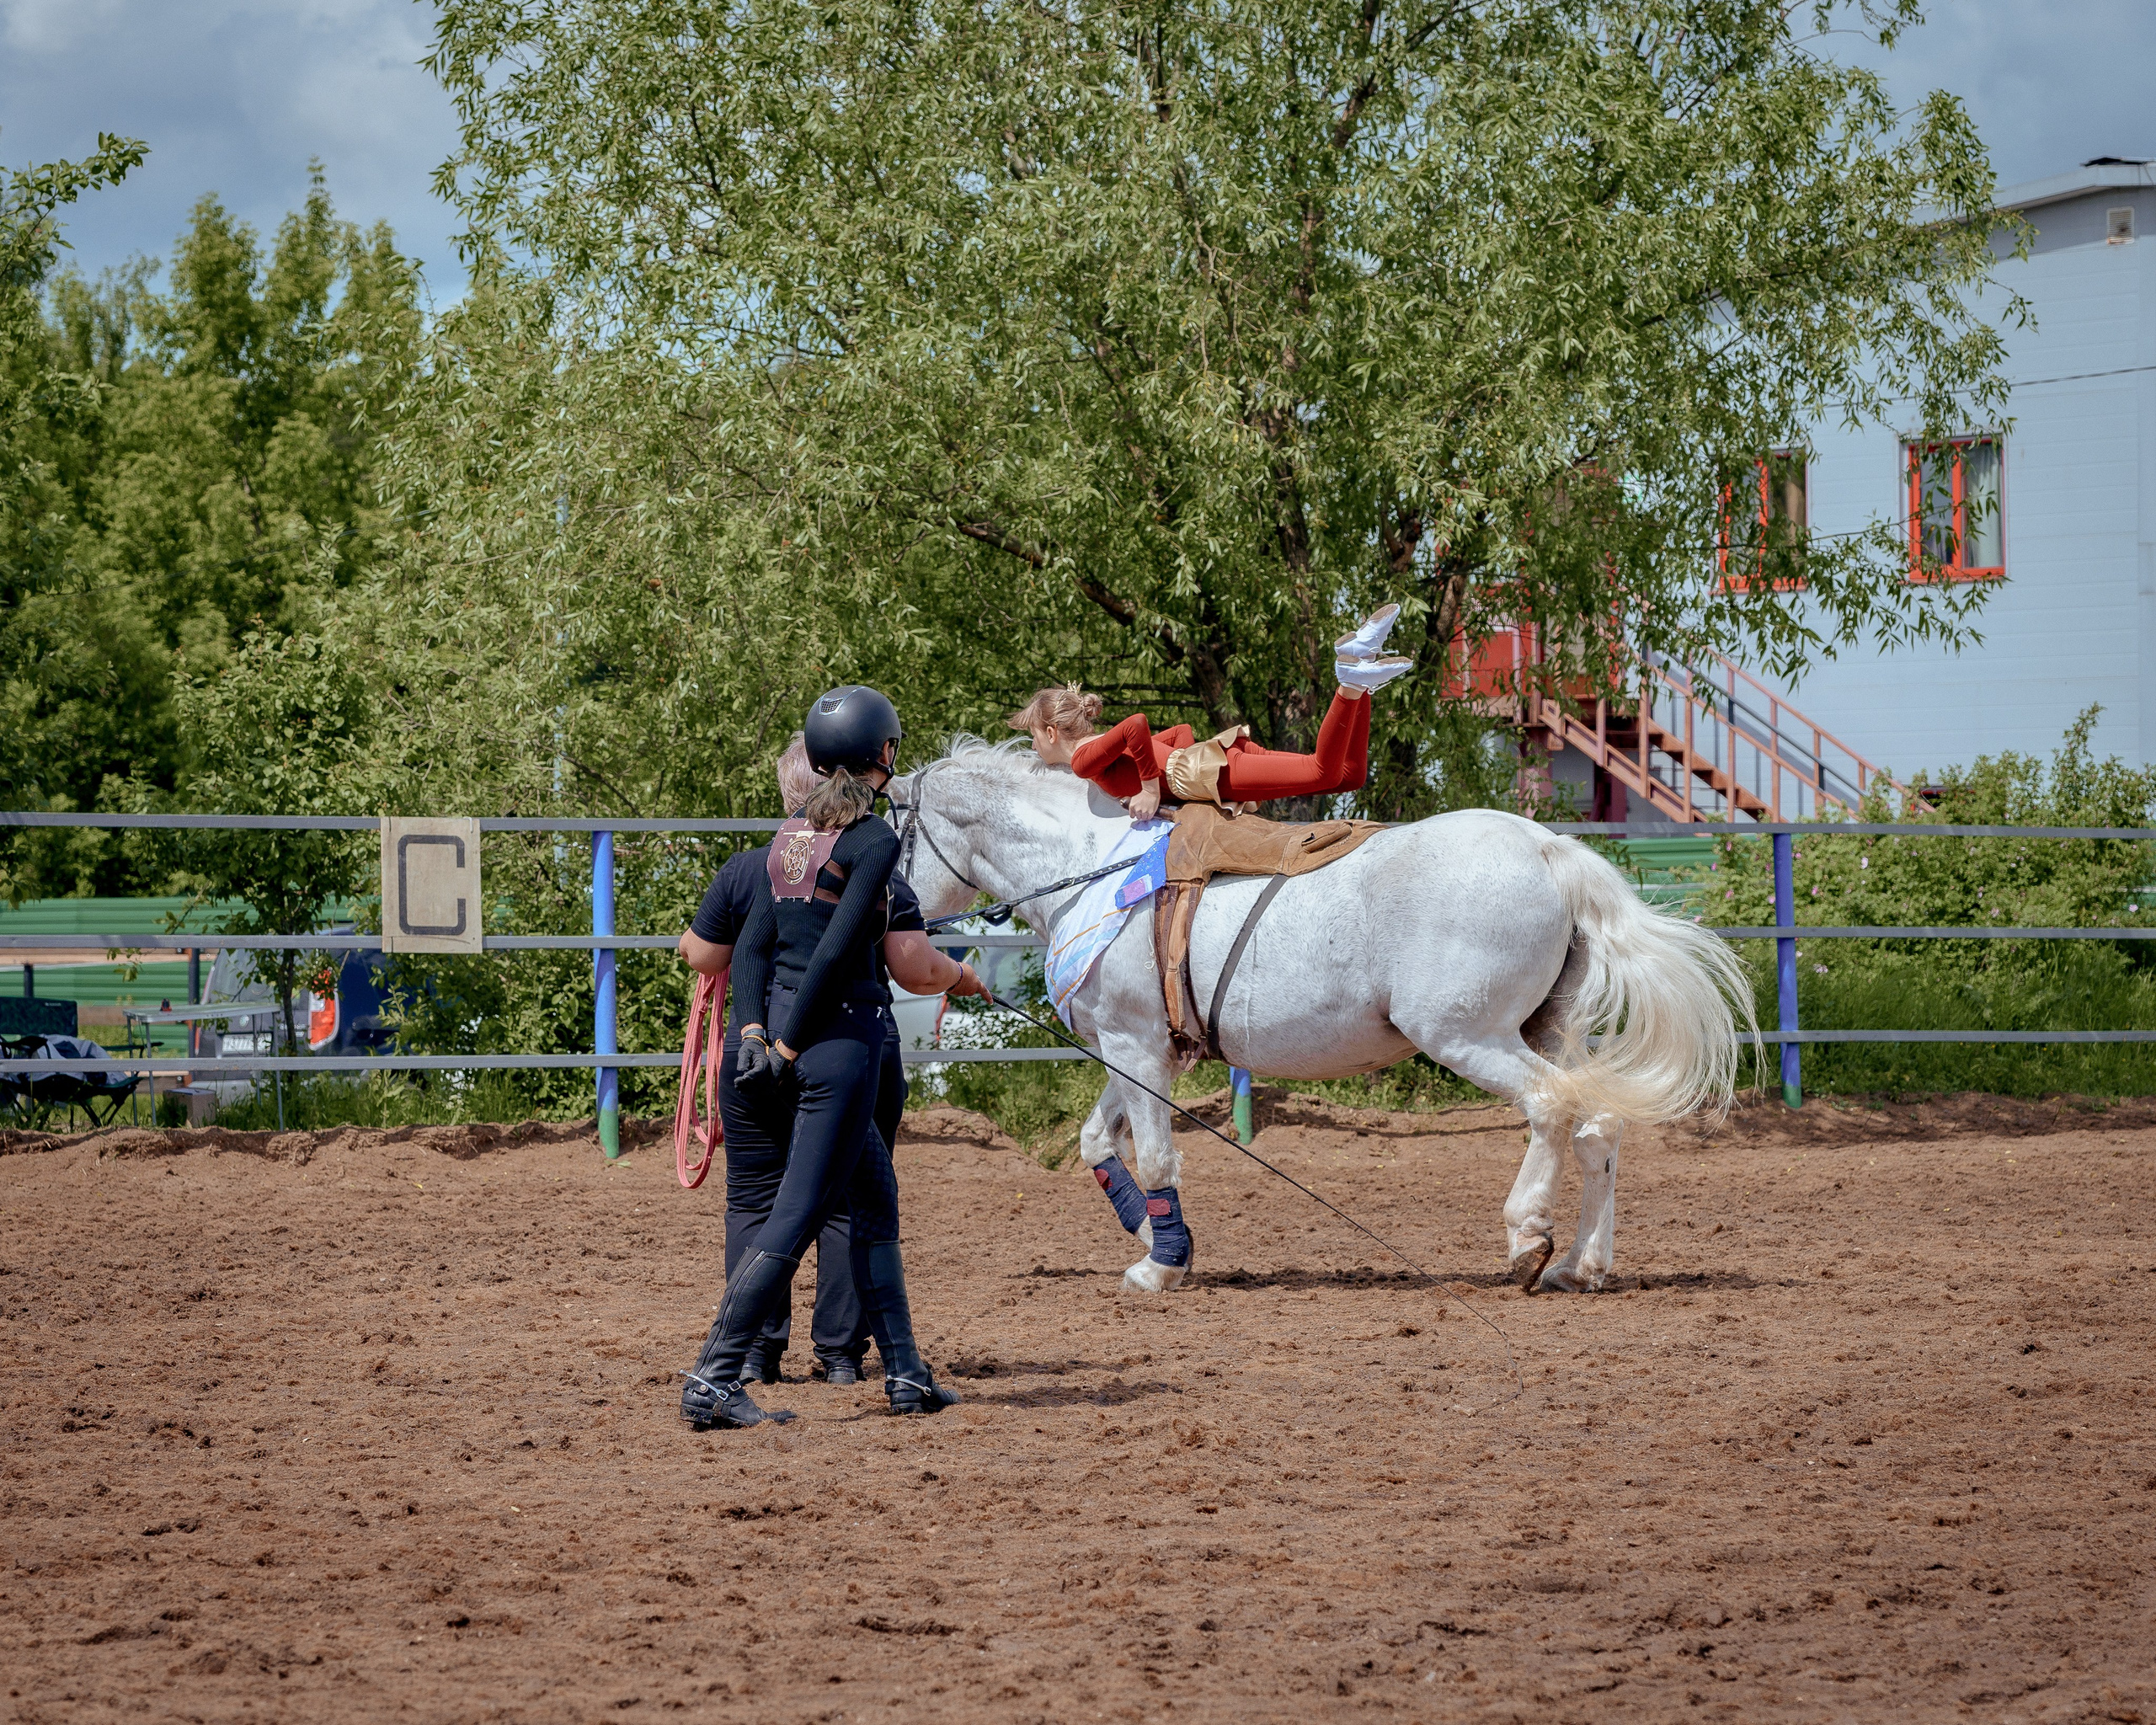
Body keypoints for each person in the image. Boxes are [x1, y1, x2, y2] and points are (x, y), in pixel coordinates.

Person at [680, 686, 985, 1429]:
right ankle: (714, 1376)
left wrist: (753, 1033)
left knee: (875, 1203)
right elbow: (843, 946)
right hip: (838, 1046)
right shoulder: (873, 839)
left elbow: (748, 948)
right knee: (798, 1215)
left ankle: (907, 1373)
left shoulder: (786, 840)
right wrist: (785, 1044)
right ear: (884, 754)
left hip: (772, 1040)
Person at [678, 734, 870, 1385]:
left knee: (753, 1199)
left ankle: (757, 1351)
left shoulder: (748, 868)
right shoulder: (866, 860)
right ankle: (841, 1356)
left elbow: (702, 955)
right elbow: (905, 961)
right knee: (841, 1200)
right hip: (833, 1046)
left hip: (752, 1048)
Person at [1011, 605, 1412, 820]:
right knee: (1348, 777)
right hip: (1213, 765)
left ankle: (1350, 682)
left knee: (1322, 771)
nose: (1033, 745)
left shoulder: (1083, 760)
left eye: (1032, 733)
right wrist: (1184, 781)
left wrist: (1153, 790)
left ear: (1050, 731)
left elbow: (1136, 725)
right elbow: (1179, 732)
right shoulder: (1102, 747)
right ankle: (1364, 668)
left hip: (1215, 771)